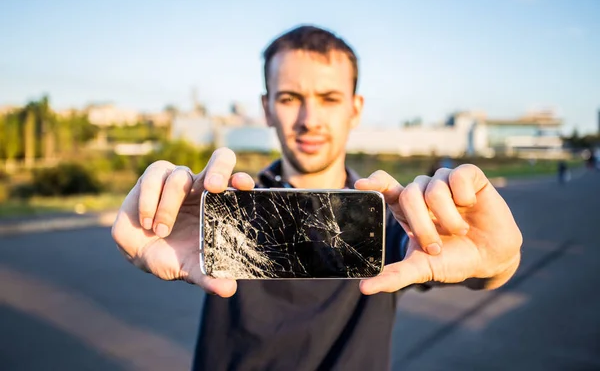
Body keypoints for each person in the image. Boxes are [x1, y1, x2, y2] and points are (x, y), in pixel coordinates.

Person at [111, 25, 523, 370]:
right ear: (267, 108)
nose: (309, 121)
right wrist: (159, 228)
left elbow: (475, 269)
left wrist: (495, 258)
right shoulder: (225, 210)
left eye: (329, 99)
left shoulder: (385, 218)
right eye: (290, 98)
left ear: (355, 109)